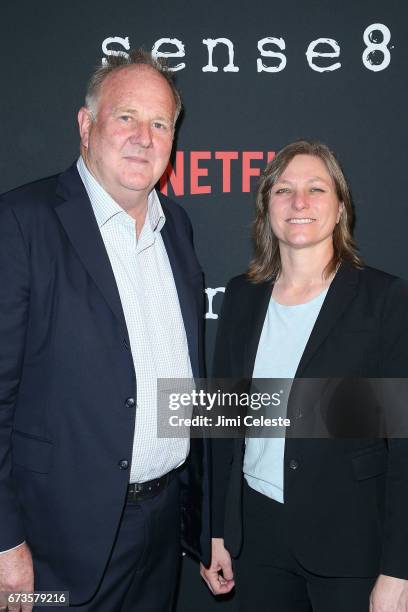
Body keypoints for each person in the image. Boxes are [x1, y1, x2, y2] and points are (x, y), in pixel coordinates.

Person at [0, 49, 210, 611]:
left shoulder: (177, 228)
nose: (144, 136)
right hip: (54, 543)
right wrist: (4, 542)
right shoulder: (21, 223)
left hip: (162, 529)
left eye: (160, 123)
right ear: (86, 125)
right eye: (127, 117)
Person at [201, 140, 408, 611]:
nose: (299, 202)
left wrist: (398, 570)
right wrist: (215, 529)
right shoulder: (242, 295)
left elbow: (404, 448)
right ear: (266, 208)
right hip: (256, 538)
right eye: (283, 190)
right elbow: (221, 426)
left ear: (339, 210)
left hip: (350, 541)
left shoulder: (384, 300)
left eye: (317, 189)